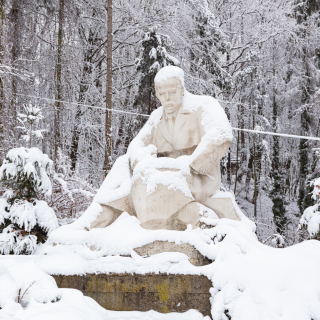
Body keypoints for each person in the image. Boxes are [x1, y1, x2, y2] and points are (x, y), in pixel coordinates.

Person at [88, 66, 240, 231]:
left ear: (181, 89)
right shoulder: (157, 117)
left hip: (198, 177)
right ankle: (90, 223)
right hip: (165, 173)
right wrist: (139, 157)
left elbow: (221, 134)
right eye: (161, 94)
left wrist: (193, 164)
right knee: (122, 163)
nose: (167, 98)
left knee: (147, 173)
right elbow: (136, 144)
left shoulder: (203, 106)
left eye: (172, 92)